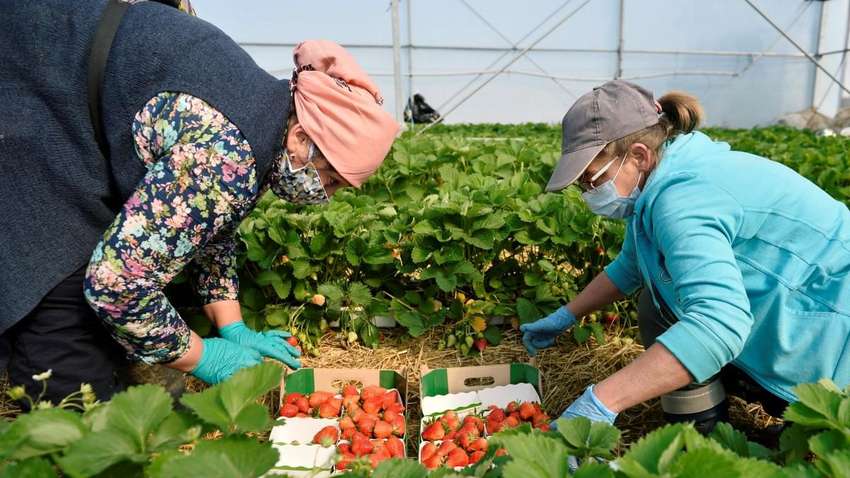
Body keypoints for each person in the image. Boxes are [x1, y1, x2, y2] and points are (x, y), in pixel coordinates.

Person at [0, 0, 398, 406]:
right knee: (61, 299)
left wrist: (232, 325)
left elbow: (211, 224)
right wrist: (201, 356)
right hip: (31, 94)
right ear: (301, 138)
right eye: (329, 177)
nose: (325, 193)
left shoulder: (263, 116)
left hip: (60, 82)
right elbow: (114, 285)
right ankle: (72, 441)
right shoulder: (227, 152)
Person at [521, 80, 850, 433]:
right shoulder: (661, 180)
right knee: (657, 301)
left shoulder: (683, 201)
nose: (588, 193)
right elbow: (631, 266)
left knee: (815, 447)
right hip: (798, 311)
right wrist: (565, 316)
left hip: (832, 329)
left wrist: (602, 401)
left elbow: (720, 325)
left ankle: (803, 415)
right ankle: (701, 428)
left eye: (591, 179)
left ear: (638, 155)